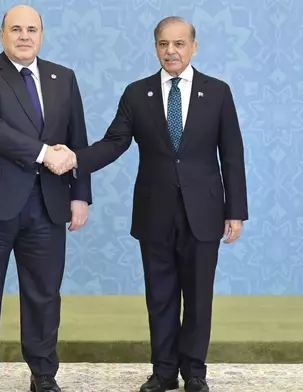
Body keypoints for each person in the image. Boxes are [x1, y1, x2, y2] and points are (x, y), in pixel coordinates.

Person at [48, 16, 248, 392]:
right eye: (163, 44)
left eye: (178, 44)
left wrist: (235, 210)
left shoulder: (217, 92)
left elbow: (232, 154)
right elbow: (114, 142)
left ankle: (194, 373)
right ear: (155, 46)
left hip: (204, 211)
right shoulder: (138, 93)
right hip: (155, 211)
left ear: (193, 47)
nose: (171, 51)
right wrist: (74, 158)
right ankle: (163, 371)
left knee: (199, 297)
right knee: (160, 295)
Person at [0, 5, 91, 392]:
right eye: (16, 29)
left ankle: (44, 375)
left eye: (32, 29)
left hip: (48, 205)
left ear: (42, 35)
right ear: (2, 35)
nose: (24, 36)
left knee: (45, 295)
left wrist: (80, 196)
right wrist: (46, 153)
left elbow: (77, 138)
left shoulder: (63, 77)